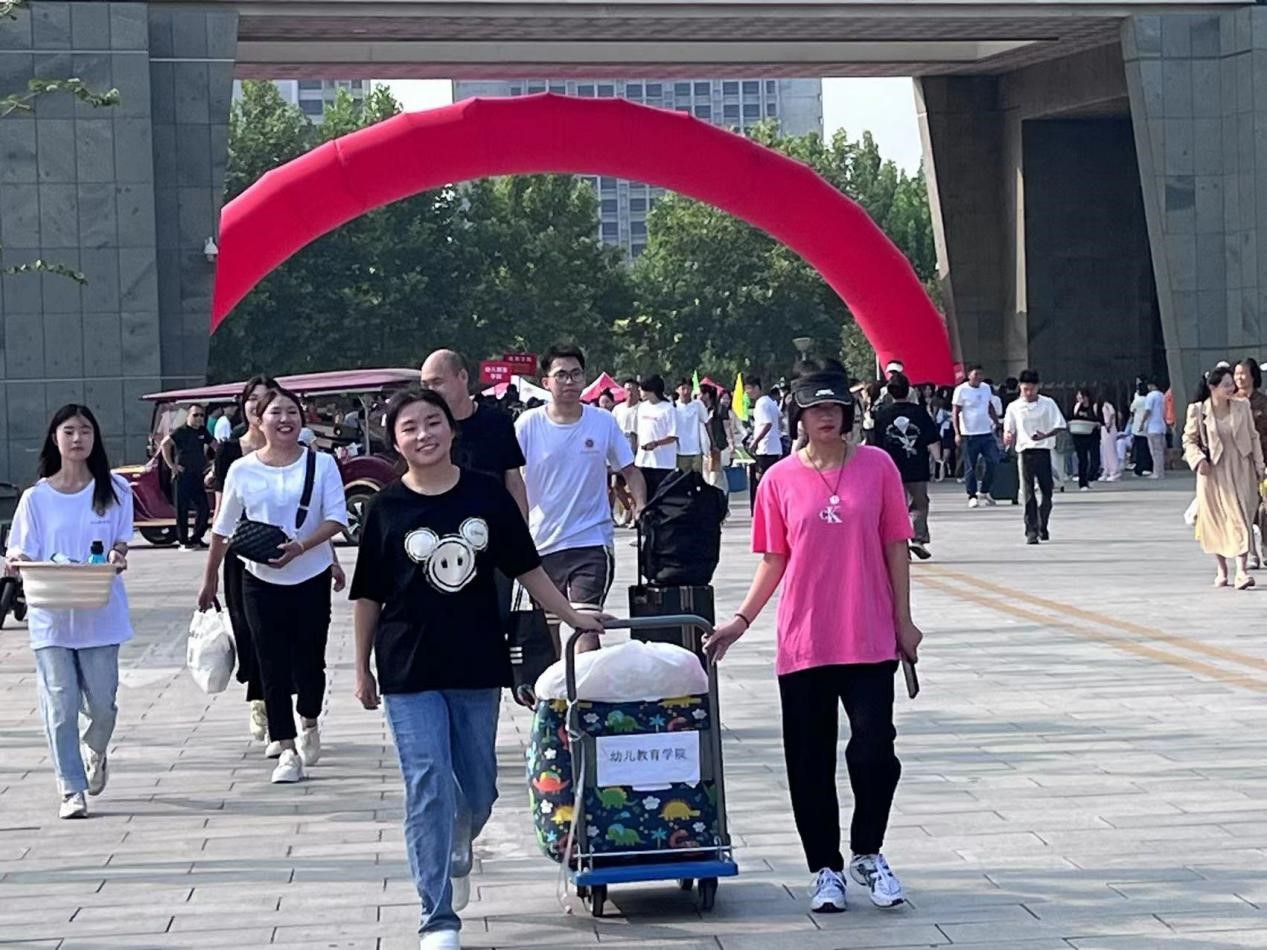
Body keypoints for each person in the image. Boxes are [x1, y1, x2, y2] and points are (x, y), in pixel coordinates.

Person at [351, 389, 604, 950]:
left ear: (451, 429)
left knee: (480, 789)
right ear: (396, 442)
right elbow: (367, 594)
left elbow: (528, 568)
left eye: (433, 422)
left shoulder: (486, 494)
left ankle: (458, 839)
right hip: (407, 664)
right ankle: (436, 917)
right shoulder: (385, 508)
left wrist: (572, 616)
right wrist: (360, 668)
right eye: (410, 427)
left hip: (476, 660)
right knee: (427, 783)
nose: (424, 434)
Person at [703, 370, 921, 914]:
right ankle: (825, 868)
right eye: (815, 408)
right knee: (809, 759)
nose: (827, 416)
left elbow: (896, 546)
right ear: (797, 416)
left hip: (869, 635)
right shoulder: (777, 480)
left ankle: (867, 852)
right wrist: (740, 620)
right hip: (805, 640)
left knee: (875, 750)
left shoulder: (878, 466)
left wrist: (904, 620)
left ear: (849, 413)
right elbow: (773, 560)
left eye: (836, 408)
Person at [198, 387, 349, 784]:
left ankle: (309, 718)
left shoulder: (322, 464)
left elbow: (336, 518)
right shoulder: (242, 469)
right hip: (259, 578)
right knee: (270, 663)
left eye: (292, 412)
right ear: (258, 420)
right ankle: (286, 748)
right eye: (275, 412)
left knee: (311, 660)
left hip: (311, 575)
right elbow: (223, 529)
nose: (285, 419)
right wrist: (209, 578)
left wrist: (303, 548)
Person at [6, 405, 132, 820]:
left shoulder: (114, 490)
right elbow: (21, 549)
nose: (78, 439)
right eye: (69, 431)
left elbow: (121, 541)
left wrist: (117, 554)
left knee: (103, 706)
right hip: (52, 616)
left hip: (100, 612)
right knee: (60, 706)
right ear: (55, 438)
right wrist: (17, 561)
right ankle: (71, 787)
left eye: (85, 431)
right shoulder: (36, 498)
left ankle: (96, 749)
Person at [516, 345, 647, 631]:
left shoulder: (602, 421)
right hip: (541, 543)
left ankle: (587, 662)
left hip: (591, 541)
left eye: (576, 374)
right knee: (547, 629)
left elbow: (630, 471)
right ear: (546, 382)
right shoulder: (528, 424)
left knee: (586, 625)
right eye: (561, 375)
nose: (570, 381)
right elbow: (510, 476)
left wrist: (640, 506)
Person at [1183, 367, 1265, 590]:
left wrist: (1260, 466)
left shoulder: (1242, 406)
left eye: (1232, 384)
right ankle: (1222, 570)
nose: (1232, 388)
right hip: (1213, 473)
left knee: (1241, 517)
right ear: (1213, 387)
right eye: (1227, 385)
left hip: (1241, 468)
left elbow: (1253, 436)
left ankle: (1242, 571)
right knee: (1216, 520)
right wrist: (1198, 460)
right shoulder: (1198, 410)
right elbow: (1189, 440)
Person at [419, 350, 528, 516]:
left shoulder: (498, 423)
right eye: (425, 385)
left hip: (493, 520)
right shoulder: (424, 431)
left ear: (463, 377)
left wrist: (521, 526)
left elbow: (513, 481)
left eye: (437, 382)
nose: (431, 391)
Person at [872, 373, 939, 560]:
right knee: (919, 503)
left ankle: (900, 544)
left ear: (889, 392)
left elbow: (877, 444)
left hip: (891, 468)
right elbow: (931, 439)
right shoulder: (919, 412)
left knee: (896, 507)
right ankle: (918, 538)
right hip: (917, 466)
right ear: (909, 391)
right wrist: (939, 459)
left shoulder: (883, 415)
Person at [1003, 369, 1067, 545]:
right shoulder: (1014, 407)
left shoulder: (1048, 404)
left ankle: (1042, 523)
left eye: (1031, 389)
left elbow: (1060, 425)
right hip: (1025, 451)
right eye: (1025, 389)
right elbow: (1009, 429)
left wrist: (1046, 435)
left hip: (1043, 450)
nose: (1028, 393)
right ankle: (1031, 530)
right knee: (1028, 492)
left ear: (1038, 387)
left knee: (1047, 492)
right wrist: (1008, 436)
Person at [161, 403, 214, 551]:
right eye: (195, 415)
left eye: (201, 415)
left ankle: (196, 538)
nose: (199, 418)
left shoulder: (203, 431)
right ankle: (183, 541)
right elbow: (165, 444)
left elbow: (215, 445)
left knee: (204, 508)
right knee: (182, 510)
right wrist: (172, 465)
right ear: (188, 416)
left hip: (197, 475)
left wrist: (216, 461)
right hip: (182, 476)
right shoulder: (181, 431)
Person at [951, 366, 1001, 508]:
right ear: (969, 375)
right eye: (975, 374)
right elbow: (955, 412)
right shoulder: (961, 390)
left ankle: (984, 490)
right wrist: (957, 432)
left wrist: (996, 422)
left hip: (986, 432)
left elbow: (989, 406)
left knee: (993, 460)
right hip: (969, 434)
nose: (978, 377)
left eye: (981, 374)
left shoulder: (985, 388)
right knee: (970, 466)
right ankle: (972, 495)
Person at [1234, 358, 1267, 567]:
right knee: (1244, 509)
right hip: (1239, 464)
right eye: (1236, 374)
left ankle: (1265, 545)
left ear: (1253, 375)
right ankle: (1250, 552)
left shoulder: (1263, 403)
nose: (1239, 378)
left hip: (1263, 462)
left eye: (1243, 373)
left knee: (1264, 508)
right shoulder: (1231, 403)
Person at [634, 374, 678, 499]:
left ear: (651, 389)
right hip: (643, 461)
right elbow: (639, 432)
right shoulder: (642, 407)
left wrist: (656, 443)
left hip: (662, 463)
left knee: (660, 497)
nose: (639, 390)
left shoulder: (668, 409)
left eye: (642, 388)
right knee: (644, 496)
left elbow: (673, 436)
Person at [745, 375, 783, 514]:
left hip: (765, 448)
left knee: (761, 479)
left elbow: (767, 423)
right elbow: (779, 417)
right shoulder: (770, 401)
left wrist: (755, 441)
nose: (747, 392)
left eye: (749, 388)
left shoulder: (761, 403)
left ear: (757, 388)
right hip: (774, 447)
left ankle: (764, 508)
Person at [673, 378, 709, 473]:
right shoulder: (673, 406)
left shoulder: (698, 404)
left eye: (689, 388)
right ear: (677, 390)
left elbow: (707, 423)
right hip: (680, 451)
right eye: (683, 389)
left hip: (696, 450)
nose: (686, 392)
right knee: (681, 477)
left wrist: (712, 443)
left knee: (697, 477)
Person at [699, 383, 730, 495]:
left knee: (715, 476)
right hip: (705, 447)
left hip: (717, 446)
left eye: (700, 394)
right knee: (707, 475)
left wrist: (730, 442)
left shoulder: (719, 409)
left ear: (707, 395)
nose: (698, 397)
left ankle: (721, 497)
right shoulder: (701, 409)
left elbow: (727, 427)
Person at [1069, 388, 1100, 490]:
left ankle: (1091, 477)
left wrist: (1096, 424)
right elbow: (1071, 418)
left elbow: (1099, 420)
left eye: (1081, 396)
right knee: (1082, 460)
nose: (1079, 398)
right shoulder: (1076, 407)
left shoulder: (1094, 407)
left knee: (1095, 458)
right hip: (1079, 435)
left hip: (1092, 435)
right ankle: (1083, 483)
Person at [1141, 379, 1169, 479]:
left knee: (1154, 451)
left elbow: (1148, 410)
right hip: (1161, 426)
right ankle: (1160, 471)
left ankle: (1157, 472)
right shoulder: (1162, 395)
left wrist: (1142, 423)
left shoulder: (1150, 396)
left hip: (1153, 427)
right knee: (1160, 451)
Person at [612, 377, 641, 455]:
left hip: (636, 442)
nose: (630, 393)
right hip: (620, 442)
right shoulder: (617, 409)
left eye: (633, 390)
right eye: (628, 390)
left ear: (638, 392)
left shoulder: (643, 408)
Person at [1129, 381, 1153, 476]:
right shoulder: (1148, 399)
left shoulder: (1138, 400)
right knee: (1147, 448)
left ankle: (1140, 468)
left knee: (1139, 449)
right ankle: (1148, 467)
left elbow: (1132, 409)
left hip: (1138, 426)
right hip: (1148, 426)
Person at [1097, 396, 1121, 482]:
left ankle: (1114, 471)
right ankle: (1106, 470)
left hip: (1109, 429)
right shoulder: (1103, 405)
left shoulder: (1107, 405)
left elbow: (1112, 413)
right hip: (1104, 428)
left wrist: (1109, 424)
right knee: (1104, 451)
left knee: (1110, 451)